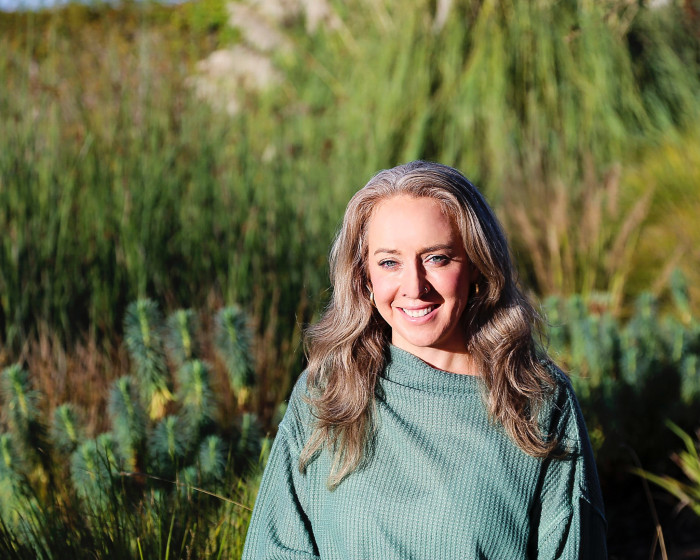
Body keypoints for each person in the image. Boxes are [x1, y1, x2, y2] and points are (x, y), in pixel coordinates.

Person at [243, 161, 607, 559]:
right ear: (364, 277)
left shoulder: (537, 400)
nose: (414, 287)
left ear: (477, 265)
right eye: (389, 262)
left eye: (437, 258)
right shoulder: (327, 393)